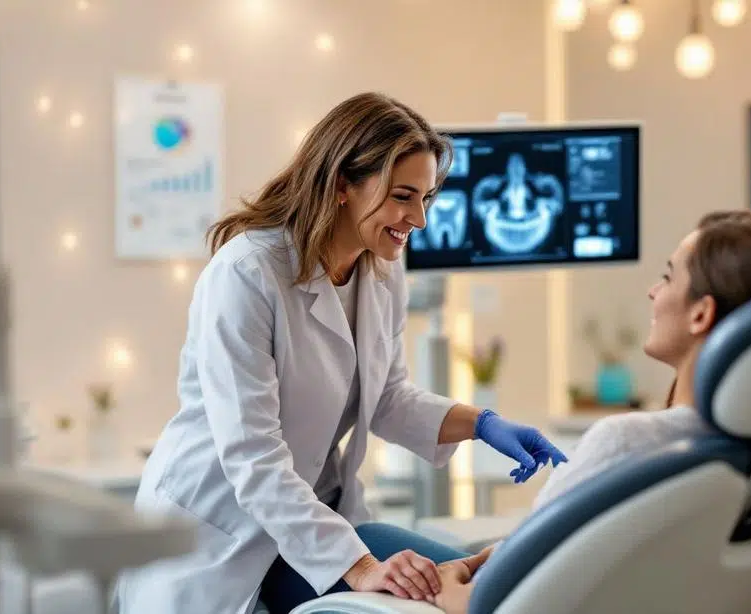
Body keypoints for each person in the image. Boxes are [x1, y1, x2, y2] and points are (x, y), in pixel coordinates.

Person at [113, 92, 568, 614]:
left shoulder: (381, 268)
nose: (418, 218)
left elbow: (389, 397)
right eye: (403, 196)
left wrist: (483, 423)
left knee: (492, 596)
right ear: (342, 187)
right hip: (221, 535)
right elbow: (252, 455)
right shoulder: (247, 275)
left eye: (426, 197)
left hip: (316, 524)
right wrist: (364, 568)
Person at [426, 209, 751, 614]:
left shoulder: (626, 442)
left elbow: (504, 600)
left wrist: (447, 587)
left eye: (669, 277)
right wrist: (489, 557)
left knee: (378, 540)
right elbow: (537, 554)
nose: (653, 291)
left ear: (701, 314)